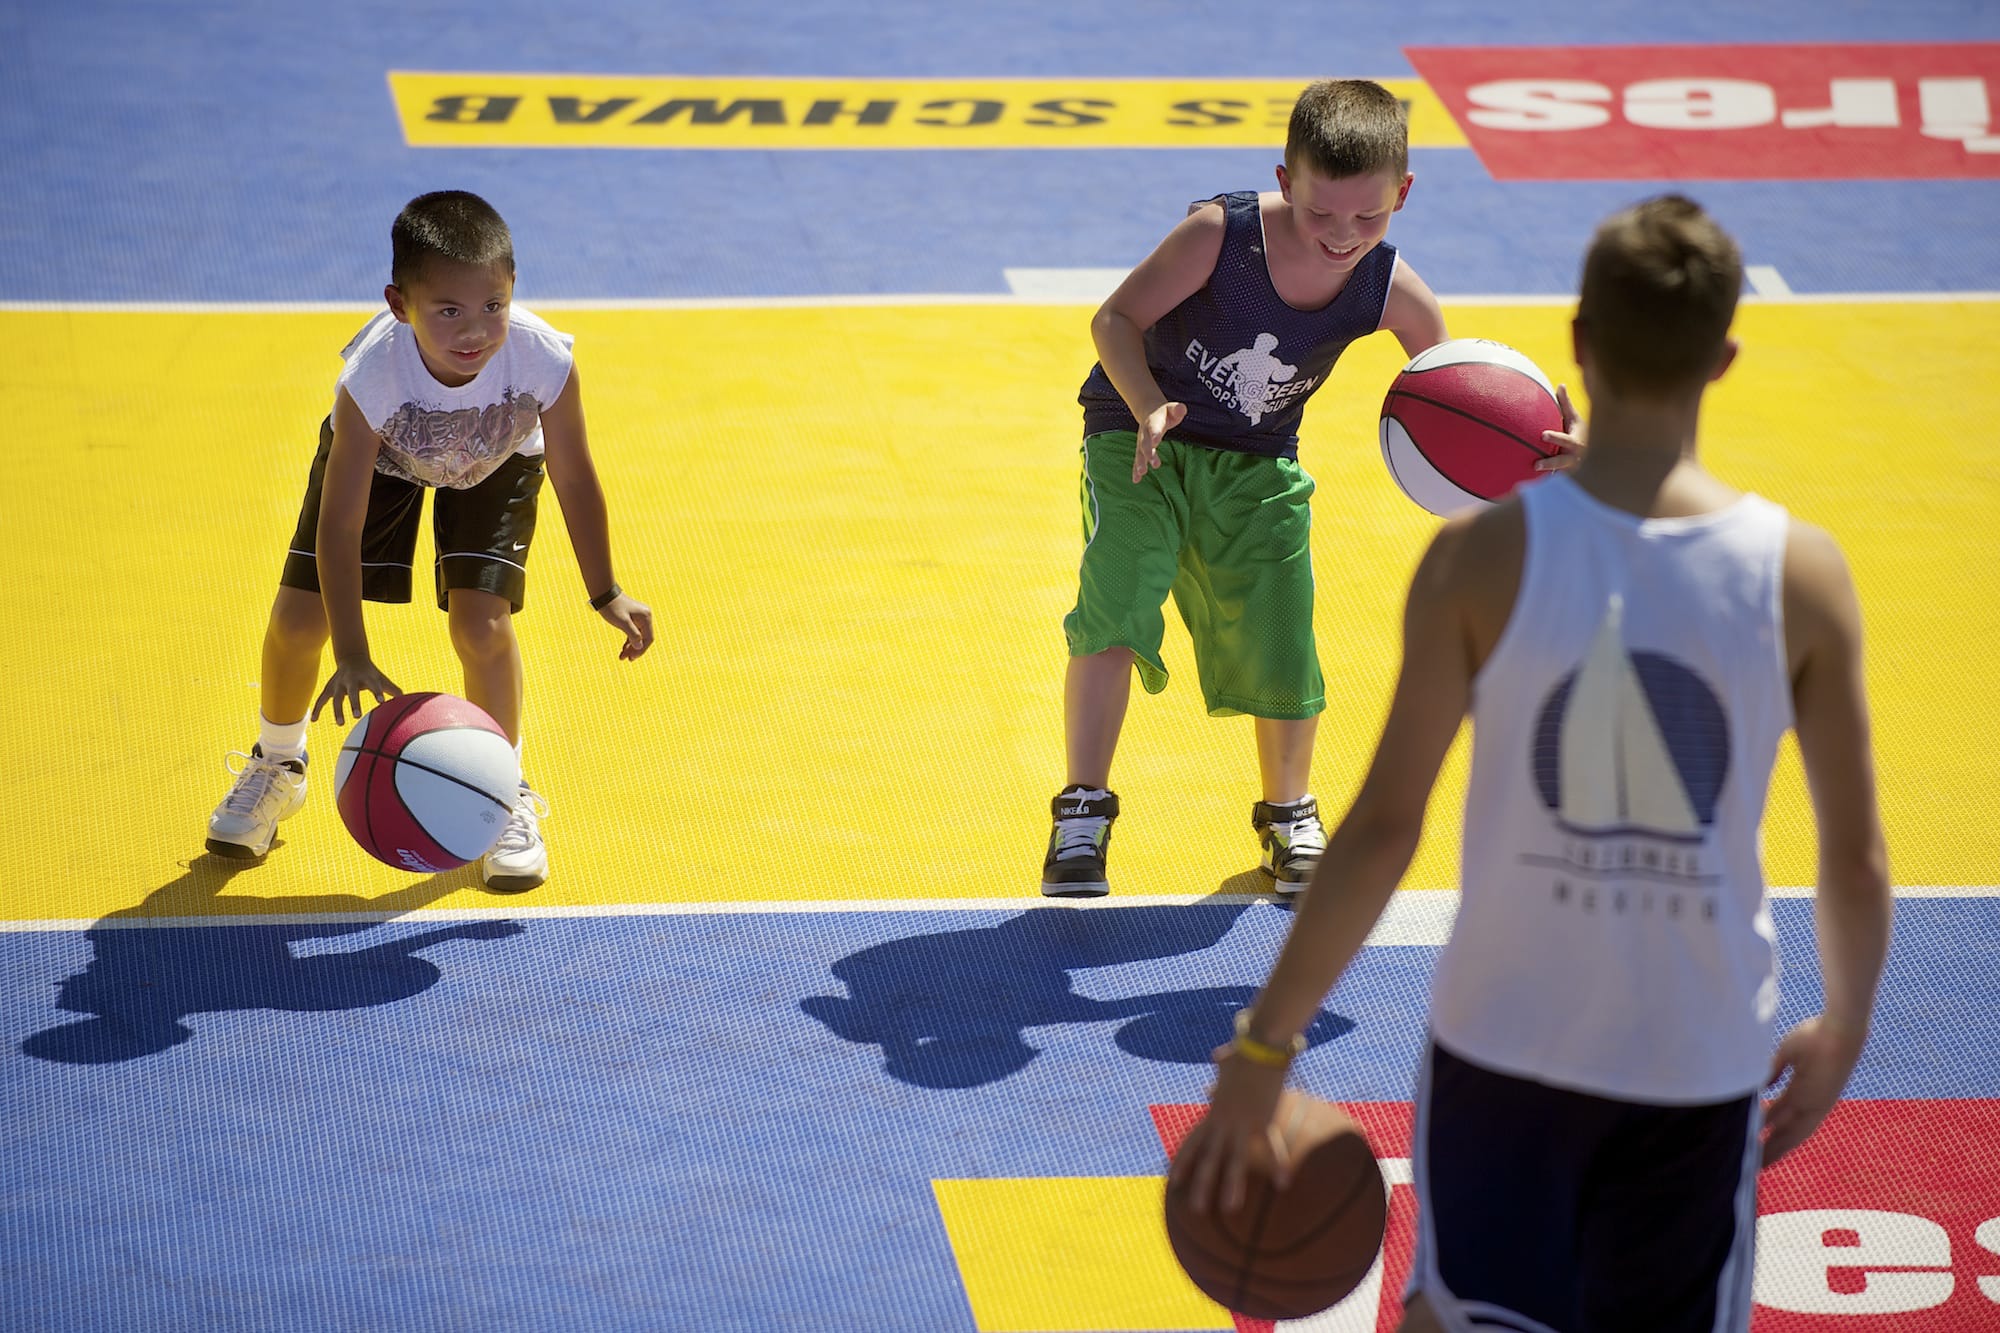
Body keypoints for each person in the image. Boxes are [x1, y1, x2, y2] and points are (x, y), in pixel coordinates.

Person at [1172, 195, 1893, 1332]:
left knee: (1458, 1317)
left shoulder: (1481, 557)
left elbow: (1377, 830)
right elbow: (1850, 857)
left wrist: (1266, 1041)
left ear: (1576, 345)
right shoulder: (1799, 573)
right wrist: (1844, 1022)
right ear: (1723, 358)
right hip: (1691, 1053)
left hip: (1503, 1044)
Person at [1043, 78, 1449, 897]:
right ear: (1285, 180)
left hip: (1259, 461)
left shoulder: (1392, 288)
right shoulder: (1217, 237)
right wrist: (1149, 403)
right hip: (1138, 433)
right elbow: (1113, 321)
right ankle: (1083, 808)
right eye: (1319, 212)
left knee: (1281, 631)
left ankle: (1289, 814)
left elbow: (1459, 387)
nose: (1342, 235)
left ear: (1403, 194)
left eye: (1368, 216)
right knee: (1116, 601)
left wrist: (1546, 428)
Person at [204, 190, 653, 890]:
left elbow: (574, 473)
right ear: (399, 304)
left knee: (484, 625)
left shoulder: (541, 360)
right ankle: (277, 764)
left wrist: (607, 590)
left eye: (493, 306)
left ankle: (501, 790)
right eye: (449, 310)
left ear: (512, 293)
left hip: (496, 459)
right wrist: (352, 652)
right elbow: (341, 523)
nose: (475, 329)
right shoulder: (373, 377)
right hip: (383, 462)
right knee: (298, 623)